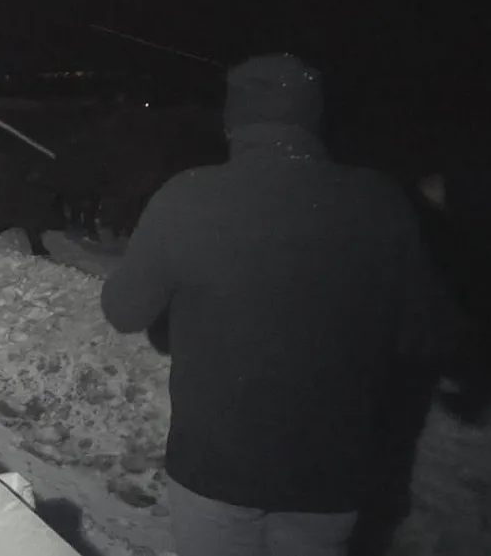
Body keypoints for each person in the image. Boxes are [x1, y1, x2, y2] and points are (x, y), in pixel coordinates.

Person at [101, 53, 455, 556]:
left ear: (232, 121)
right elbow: (431, 333)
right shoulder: (381, 200)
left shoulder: (187, 197)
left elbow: (123, 310)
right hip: (330, 475)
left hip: (214, 470)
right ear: (315, 118)